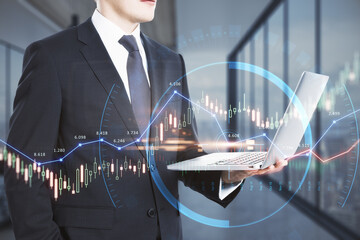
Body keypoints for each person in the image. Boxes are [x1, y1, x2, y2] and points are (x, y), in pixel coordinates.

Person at [5, 0, 288, 239]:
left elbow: (184, 154)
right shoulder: (52, 57)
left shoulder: (171, 61)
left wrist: (229, 174)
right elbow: (23, 172)